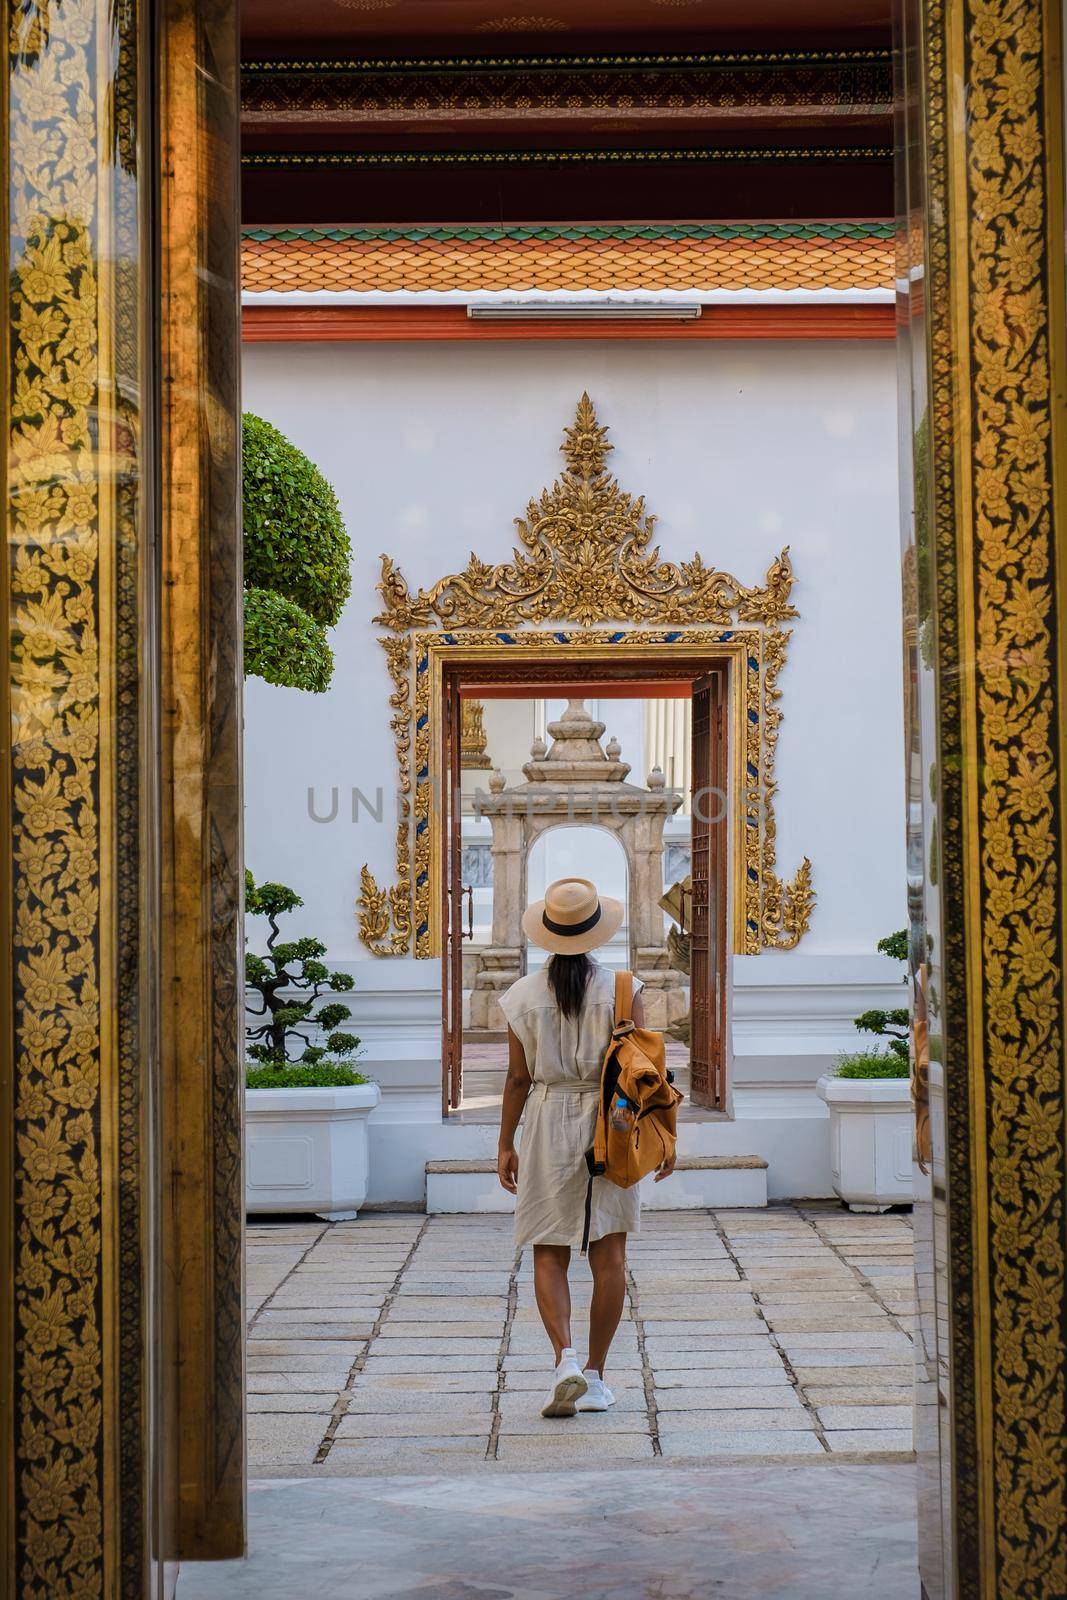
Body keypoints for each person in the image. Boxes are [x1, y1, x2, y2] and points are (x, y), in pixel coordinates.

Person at [496, 876, 676, 1419]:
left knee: (548, 1251)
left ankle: (565, 1359)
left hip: (548, 1120)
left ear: (546, 934)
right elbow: (646, 1071)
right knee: (610, 1256)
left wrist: (505, 1143)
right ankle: (595, 1376)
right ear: (595, 932)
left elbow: (516, 1081)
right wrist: (666, 1136)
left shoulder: (520, 997)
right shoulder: (625, 990)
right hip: (612, 1122)